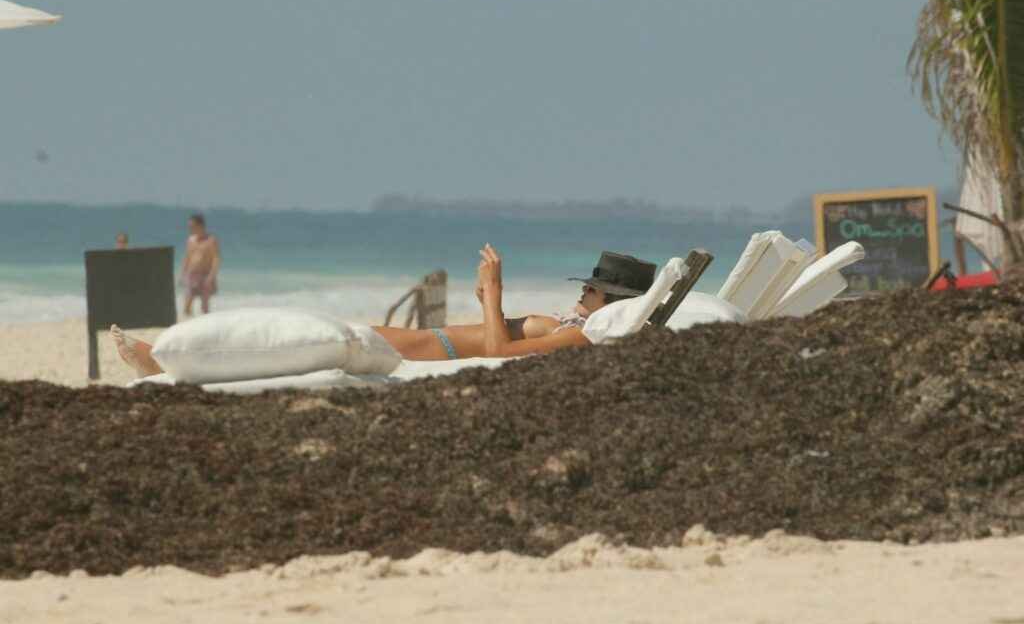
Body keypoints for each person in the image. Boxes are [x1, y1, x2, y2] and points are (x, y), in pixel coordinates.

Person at [111, 246, 656, 378]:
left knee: (303, 344)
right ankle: (170, 358)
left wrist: (493, 296)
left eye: (589, 292)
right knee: (302, 332)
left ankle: (164, 362)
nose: (580, 298)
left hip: (426, 353)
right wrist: (493, 305)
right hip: (427, 342)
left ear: (610, 302)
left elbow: (498, 353)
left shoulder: (584, 339)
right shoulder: (578, 328)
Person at [180, 213, 221, 316]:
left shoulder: (211, 240)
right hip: (192, 274)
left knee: (204, 305)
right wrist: (182, 274)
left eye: (192, 226)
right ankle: (188, 323)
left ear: (201, 226)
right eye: (189, 226)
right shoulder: (191, 240)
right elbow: (187, 257)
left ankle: (207, 326)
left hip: (205, 275)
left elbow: (216, 259)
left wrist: (212, 276)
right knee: (187, 302)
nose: (190, 229)